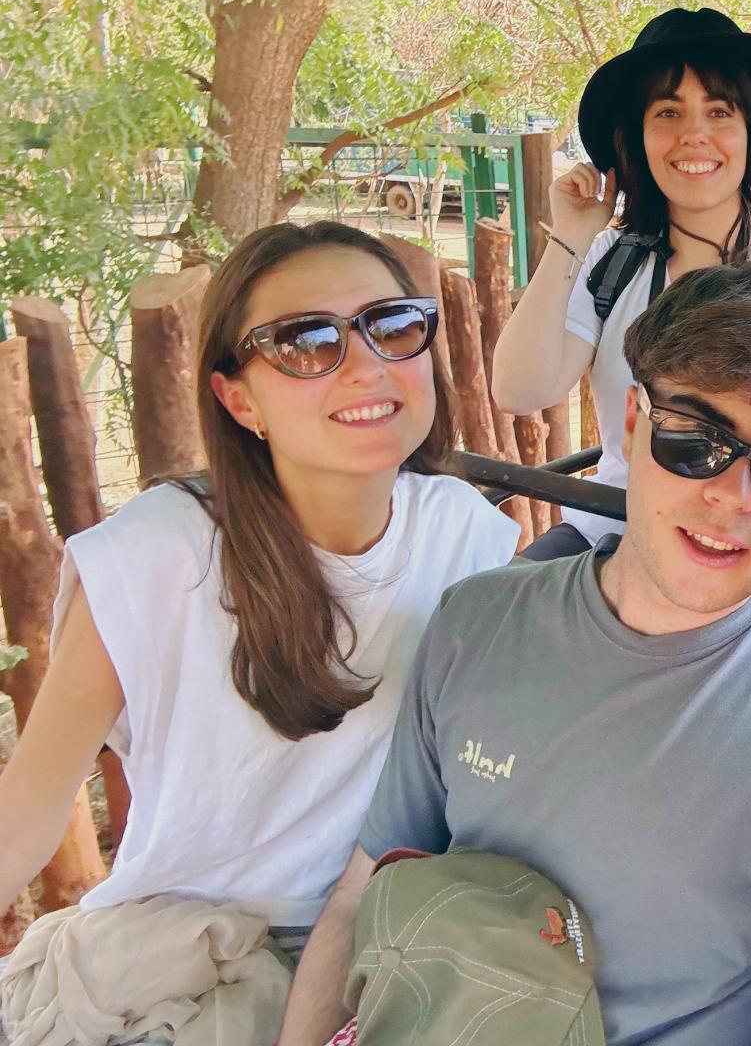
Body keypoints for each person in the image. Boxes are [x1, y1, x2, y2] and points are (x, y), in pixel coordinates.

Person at [278, 264, 751, 1046]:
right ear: (632, 423)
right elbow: (364, 893)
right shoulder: (478, 624)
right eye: (695, 442)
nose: (733, 498)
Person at [0, 222, 518, 1037]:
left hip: (387, 947)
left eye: (392, 325)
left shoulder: (468, 535)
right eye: (306, 341)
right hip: (177, 965)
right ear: (240, 399)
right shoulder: (159, 556)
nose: (364, 363)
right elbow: (26, 816)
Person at [491, 7, 751, 559]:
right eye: (669, 112)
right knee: (500, 612)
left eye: (719, 111)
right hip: (611, 529)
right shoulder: (614, 262)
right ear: (639, 136)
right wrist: (572, 236)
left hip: (744, 535)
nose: (694, 135)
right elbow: (519, 390)